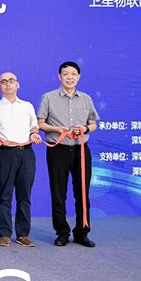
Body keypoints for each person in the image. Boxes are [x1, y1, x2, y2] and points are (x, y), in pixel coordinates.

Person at [38, 61, 99, 247]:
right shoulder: (48, 98)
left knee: (82, 192)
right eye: (65, 74)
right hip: (58, 150)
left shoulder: (86, 99)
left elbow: (93, 124)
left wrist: (85, 128)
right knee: (58, 193)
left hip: (81, 150)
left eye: (73, 74)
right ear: (59, 76)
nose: (69, 77)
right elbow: (40, 123)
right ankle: (62, 232)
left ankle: (82, 232)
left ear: (78, 77)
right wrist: (57, 129)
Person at [0, 72, 43, 248]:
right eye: (3, 82)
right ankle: (4, 234)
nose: (8, 84)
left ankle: (23, 234)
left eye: (11, 81)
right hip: (5, 154)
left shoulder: (27, 106)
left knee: (24, 195)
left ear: (17, 84)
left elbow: (34, 126)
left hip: (26, 153)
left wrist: (34, 134)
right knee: (4, 194)